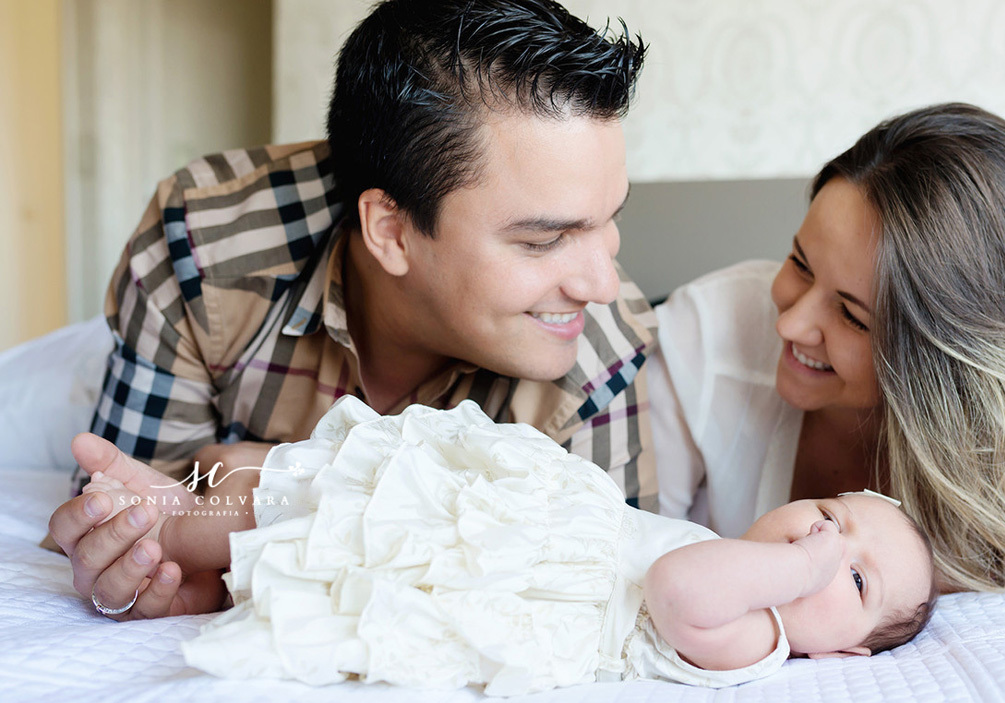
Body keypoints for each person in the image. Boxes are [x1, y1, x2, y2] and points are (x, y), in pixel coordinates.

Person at [46, 0, 660, 619]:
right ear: (391, 231)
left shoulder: (599, 343)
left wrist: (285, 480)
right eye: (542, 241)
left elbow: (599, 596)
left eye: (610, 220)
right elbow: (136, 504)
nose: (602, 283)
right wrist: (158, 559)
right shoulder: (203, 247)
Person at [81, 396, 936, 695]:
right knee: (301, 478)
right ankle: (175, 490)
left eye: (855, 576)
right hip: (505, 524)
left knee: (320, 539)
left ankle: (159, 520)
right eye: (830, 514)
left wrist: (799, 567)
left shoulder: (761, 642)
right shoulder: (736, 555)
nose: (826, 541)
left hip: (493, 576)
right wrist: (811, 558)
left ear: (849, 654)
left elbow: (678, 591)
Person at [649, 102, 1005, 593]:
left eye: (853, 316)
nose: (792, 325)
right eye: (800, 263)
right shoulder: (703, 334)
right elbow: (621, 567)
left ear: (953, 361)